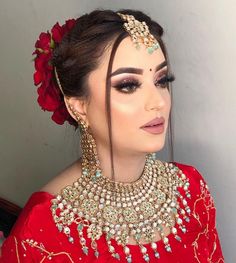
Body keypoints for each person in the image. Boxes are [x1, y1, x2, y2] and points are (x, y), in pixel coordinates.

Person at [0, 9, 224, 263]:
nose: (158, 102)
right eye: (128, 85)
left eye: (162, 80)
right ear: (78, 106)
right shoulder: (40, 232)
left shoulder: (191, 188)